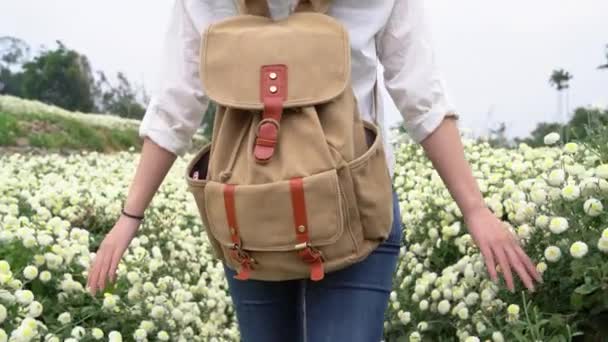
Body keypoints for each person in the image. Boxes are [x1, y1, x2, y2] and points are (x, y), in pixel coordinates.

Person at [86, 0, 543, 340]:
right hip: (322, 211)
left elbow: (175, 104)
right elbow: (421, 96)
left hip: (264, 210)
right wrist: (129, 218)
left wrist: (477, 210)